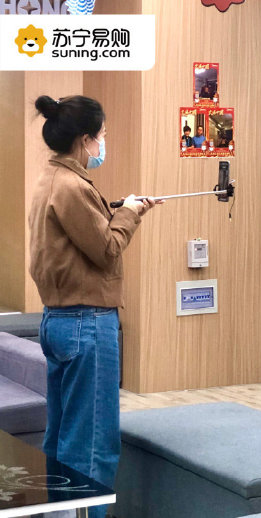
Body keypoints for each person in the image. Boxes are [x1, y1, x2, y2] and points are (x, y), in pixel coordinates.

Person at [29, 95, 161, 518]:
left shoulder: (51, 177)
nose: (103, 143)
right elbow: (106, 249)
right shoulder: (73, 186)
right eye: (101, 135)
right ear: (85, 139)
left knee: (62, 438)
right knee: (92, 446)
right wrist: (130, 215)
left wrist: (121, 208)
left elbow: (80, 234)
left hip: (58, 321)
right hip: (87, 324)